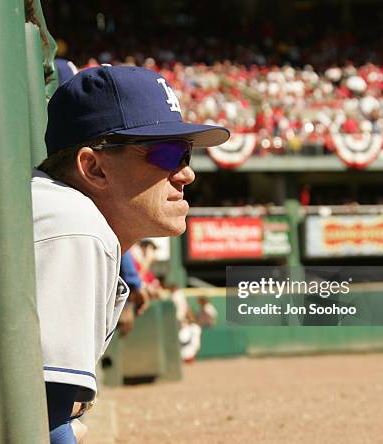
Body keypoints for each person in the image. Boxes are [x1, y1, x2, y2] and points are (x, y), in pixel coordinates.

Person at [31, 65, 230, 443]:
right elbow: (45, 419)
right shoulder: (74, 224)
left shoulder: (68, 215)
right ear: (93, 167)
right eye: (168, 153)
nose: (186, 174)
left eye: (186, 154)